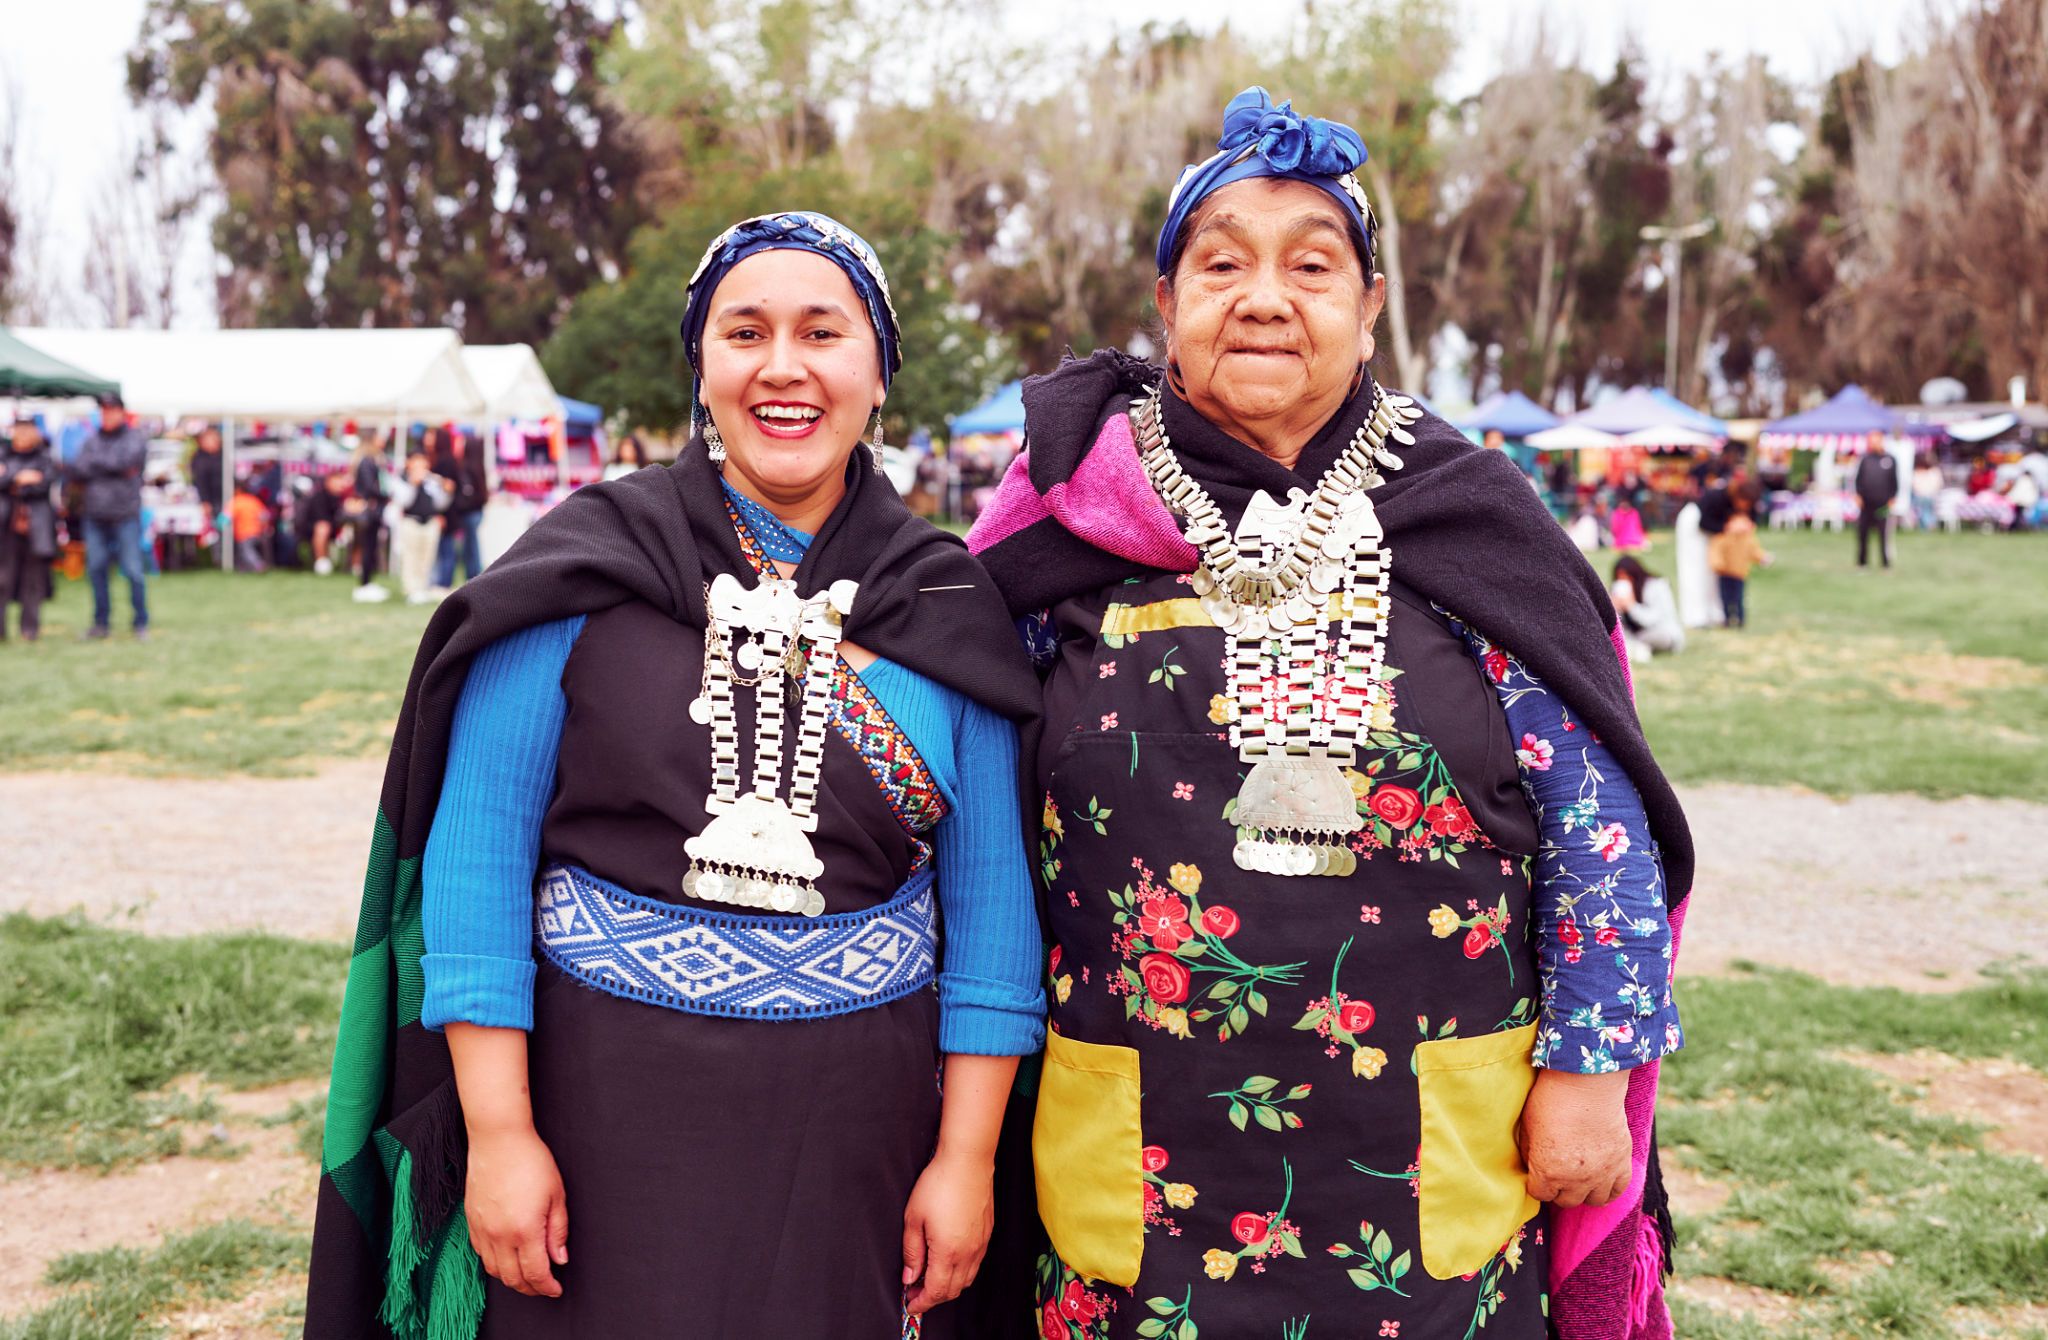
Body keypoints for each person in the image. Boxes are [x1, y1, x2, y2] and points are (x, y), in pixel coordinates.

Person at [968, 88, 1691, 1340]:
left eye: (1310, 265)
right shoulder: (1061, 516)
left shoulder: (1471, 519)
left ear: (1365, 310)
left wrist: (1587, 1070)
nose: (1262, 295)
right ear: (1166, 305)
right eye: (1221, 262)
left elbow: (1598, 819)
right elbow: (959, 797)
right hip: (1139, 1143)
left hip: (1428, 1139)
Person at [305, 210, 1045, 1340]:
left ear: (877, 371)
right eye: (744, 332)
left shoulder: (945, 605)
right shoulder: (584, 566)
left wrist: (964, 1156)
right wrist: (500, 1135)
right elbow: (477, 864)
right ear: (700, 366)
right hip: (599, 1129)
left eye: (822, 332)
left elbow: (991, 917)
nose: (783, 366)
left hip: (861, 1141)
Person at [66, 392, 150, 641]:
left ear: (121, 412)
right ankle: (100, 623)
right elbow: (77, 468)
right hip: (95, 514)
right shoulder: (91, 440)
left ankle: (140, 622)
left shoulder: (134, 438)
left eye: (111, 410)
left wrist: (99, 466)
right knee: (96, 569)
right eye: (103, 410)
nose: (107, 414)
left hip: (125, 514)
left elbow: (126, 462)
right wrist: (110, 467)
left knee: (133, 570)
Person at [0, 420, 60, 643]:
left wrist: (11, 478)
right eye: (19, 430)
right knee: (2, 579)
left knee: (32, 580)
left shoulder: (43, 457)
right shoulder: (4, 453)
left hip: (36, 527)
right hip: (6, 525)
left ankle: (29, 629)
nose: (23, 435)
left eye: (28, 430)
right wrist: (19, 477)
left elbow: (45, 483)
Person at [432, 425, 489, 588]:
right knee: (471, 546)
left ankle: (472, 576)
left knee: (468, 548)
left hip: (468, 513)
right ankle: (473, 576)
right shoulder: (478, 468)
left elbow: (465, 493)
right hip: (476, 512)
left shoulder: (466, 468)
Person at [392, 448, 450, 603]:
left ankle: (422, 587)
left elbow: (440, 503)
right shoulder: (401, 479)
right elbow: (404, 501)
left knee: (426, 557)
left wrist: (446, 490)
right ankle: (411, 589)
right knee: (411, 556)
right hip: (411, 521)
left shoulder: (431, 481)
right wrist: (413, 483)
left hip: (430, 522)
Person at [1708, 486, 1769, 628]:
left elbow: (1754, 551)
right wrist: (1717, 564)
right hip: (1724, 572)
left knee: (1739, 599)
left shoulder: (1748, 539)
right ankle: (1727, 619)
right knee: (1725, 598)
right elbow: (1716, 551)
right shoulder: (1722, 537)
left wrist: (1763, 558)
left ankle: (1740, 619)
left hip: (1740, 573)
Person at [1612, 555, 1685, 663]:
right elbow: (1624, 627)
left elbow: (1652, 620)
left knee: (1644, 637)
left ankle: (1633, 648)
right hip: (1637, 634)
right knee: (1620, 637)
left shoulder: (1655, 586)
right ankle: (1634, 648)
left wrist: (1631, 606)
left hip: (1664, 633)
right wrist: (1615, 610)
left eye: (1626, 578)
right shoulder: (1623, 591)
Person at [349, 431, 393, 603]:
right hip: (371, 511)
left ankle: (367, 582)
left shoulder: (369, 460)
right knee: (368, 547)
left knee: (370, 546)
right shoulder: (367, 461)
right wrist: (385, 495)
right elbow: (369, 487)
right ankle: (365, 583)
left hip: (373, 510)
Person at [1854, 431, 1900, 567]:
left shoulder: (1889, 459)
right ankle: (1862, 563)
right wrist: (1858, 495)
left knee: (1884, 535)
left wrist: (1892, 498)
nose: (1873, 443)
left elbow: (1894, 481)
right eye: (1871, 441)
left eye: (1876, 440)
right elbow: (1859, 479)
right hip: (1866, 504)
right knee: (1862, 534)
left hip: (1883, 505)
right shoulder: (1865, 459)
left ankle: (1885, 563)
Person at [302, 470, 354, 574]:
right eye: (337, 481)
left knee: (360, 528)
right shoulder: (319, 497)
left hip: (339, 528)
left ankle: (356, 566)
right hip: (314, 530)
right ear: (328, 482)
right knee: (323, 527)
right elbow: (322, 520)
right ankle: (322, 563)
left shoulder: (344, 497)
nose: (340, 484)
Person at [190, 427, 226, 536]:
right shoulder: (200, 459)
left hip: (226, 497)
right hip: (213, 501)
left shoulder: (222, 455)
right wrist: (204, 501)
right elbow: (199, 482)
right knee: (218, 532)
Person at [229, 479, 271, 572]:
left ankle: (259, 566)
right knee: (245, 552)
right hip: (258, 532)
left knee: (247, 552)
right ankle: (244, 569)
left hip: (244, 533)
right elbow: (265, 516)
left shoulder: (236, 501)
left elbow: (225, 517)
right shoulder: (254, 500)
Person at [1910, 454, 1943, 530]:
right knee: (1928, 511)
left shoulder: (1917, 472)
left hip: (1923, 496)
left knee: (1925, 511)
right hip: (1929, 496)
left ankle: (1926, 526)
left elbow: (1914, 485)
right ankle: (1929, 525)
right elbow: (1939, 484)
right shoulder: (1935, 472)